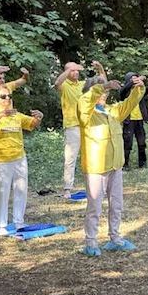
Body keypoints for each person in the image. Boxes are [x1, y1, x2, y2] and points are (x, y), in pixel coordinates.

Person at [78, 63, 144, 256]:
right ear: (91, 90)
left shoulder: (111, 110)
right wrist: (103, 85)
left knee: (117, 204)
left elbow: (130, 103)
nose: (104, 91)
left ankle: (115, 238)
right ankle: (91, 243)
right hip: (96, 167)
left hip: (116, 165)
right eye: (99, 87)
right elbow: (86, 100)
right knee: (95, 207)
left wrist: (139, 87)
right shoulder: (85, 110)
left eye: (105, 88)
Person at [0, 87, 43, 235]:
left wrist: (39, 117)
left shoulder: (17, 115)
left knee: (21, 190)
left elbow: (31, 125)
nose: (7, 99)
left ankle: (19, 222)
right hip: (0, 159)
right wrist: (1, 115)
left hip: (19, 158)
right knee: (2, 192)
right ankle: (2, 225)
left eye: (9, 96)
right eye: (3, 97)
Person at [54, 62, 86, 197]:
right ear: (67, 72)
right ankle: (68, 188)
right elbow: (56, 83)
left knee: (89, 156)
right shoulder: (64, 85)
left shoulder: (83, 84)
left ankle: (92, 185)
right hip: (72, 125)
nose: (76, 72)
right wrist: (69, 70)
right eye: (72, 70)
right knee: (70, 157)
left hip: (86, 125)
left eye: (77, 70)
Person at [121, 71, 148, 170]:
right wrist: (132, 82)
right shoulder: (125, 92)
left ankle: (142, 163)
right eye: (132, 79)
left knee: (142, 142)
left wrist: (144, 77)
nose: (136, 81)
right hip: (129, 120)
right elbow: (123, 90)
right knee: (127, 143)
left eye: (136, 78)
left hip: (139, 120)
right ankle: (125, 164)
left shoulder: (140, 90)